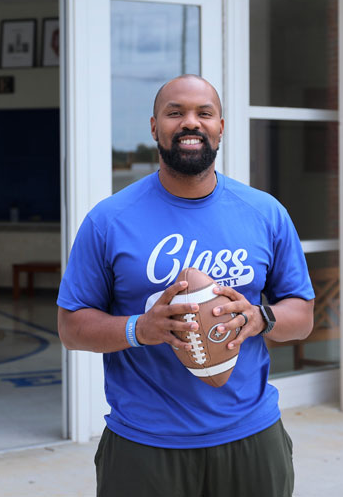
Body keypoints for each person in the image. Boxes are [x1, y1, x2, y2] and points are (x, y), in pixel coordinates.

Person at [57, 74, 315, 497]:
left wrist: (258, 317)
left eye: (204, 113)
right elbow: (71, 328)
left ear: (221, 126)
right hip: (144, 444)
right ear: (155, 127)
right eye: (175, 113)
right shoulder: (109, 220)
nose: (190, 122)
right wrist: (141, 328)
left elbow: (301, 316)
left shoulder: (264, 213)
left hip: (251, 436)